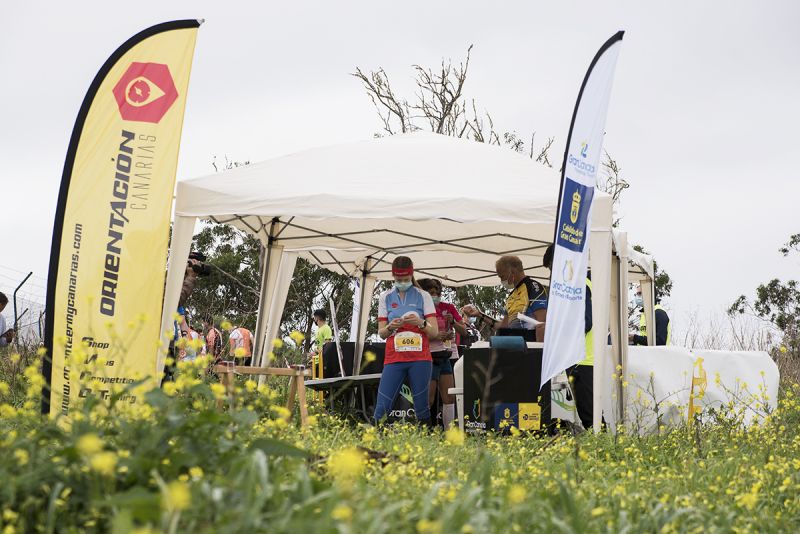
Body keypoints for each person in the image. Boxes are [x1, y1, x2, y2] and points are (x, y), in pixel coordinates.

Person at [373, 256, 439, 425]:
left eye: (406, 279)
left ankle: (427, 438)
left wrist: (420, 323)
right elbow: (381, 333)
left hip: (420, 358)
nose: (402, 282)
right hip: (394, 358)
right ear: (393, 276)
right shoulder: (385, 297)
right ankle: (372, 439)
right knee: (382, 406)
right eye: (398, 279)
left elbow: (434, 332)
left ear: (412, 274)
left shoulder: (423, 296)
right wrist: (390, 327)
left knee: (422, 407)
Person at [542, 244, 594, 430]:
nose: (551, 273)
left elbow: (586, 322)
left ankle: (606, 446)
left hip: (584, 358)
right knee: (586, 413)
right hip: (575, 357)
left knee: (590, 415)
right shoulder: (572, 285)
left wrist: (559, 328)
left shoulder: (579, 285)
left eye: (551, 267)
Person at [418, 278, 468, 429]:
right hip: (428, 357)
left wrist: (452, 322)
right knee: (429, 399)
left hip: (446, 356)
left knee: (449, 398)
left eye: (438, 293)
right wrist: (435, 336)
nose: (436, 296)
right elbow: (415, 335)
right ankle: (423, 432)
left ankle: (450, 433)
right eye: (431, 293)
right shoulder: (419, 310)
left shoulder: (448, 307)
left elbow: (464, 331)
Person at [461, 255, 548, 341]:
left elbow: (542, 323)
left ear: (512, 272)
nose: (502, 281)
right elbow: (503, 326)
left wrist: (538, 348)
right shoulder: (511, 295)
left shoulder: (533, 287)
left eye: (502, 276)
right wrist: (479, 314)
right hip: (514, 345)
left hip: (530, 345)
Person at [310, 309, 333, 374]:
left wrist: (317, 352)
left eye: (314, 317)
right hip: (316, 361)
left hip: (322, 362)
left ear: (317, 317)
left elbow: (327, 348)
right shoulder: (318, 329)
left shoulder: (326, 328)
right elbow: (319, 346)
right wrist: (314, 353)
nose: (313, 319)